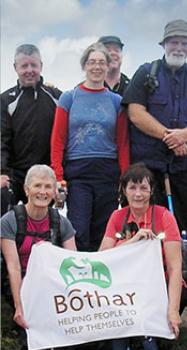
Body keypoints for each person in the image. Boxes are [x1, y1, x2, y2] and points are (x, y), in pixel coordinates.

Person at [122, 19, 187, 291]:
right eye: (174, 42)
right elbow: (135, 113)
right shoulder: (145, 73)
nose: (179, 47)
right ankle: (150, 284)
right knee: (148, 225)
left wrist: (184, 135)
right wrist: (169, 137)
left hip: (185, 165)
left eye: (185, 43)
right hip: (149, 167)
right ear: (163, 44)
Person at [50, 42, 129, 252]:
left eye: (101, 62)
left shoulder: (116, 101)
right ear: (84, 65)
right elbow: (58, 140)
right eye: (92, 62)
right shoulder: (70, 98)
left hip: (107, 173)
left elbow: (122, 143)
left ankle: (101, 280)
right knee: (79, 230)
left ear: (108, 67)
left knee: (103, 233)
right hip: (78, 173)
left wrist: (124, 177)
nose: (96, 67)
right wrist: (58, 175)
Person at [99, 162, 182, 350]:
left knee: (150, 346)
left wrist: (173, 310)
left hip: (159, 289)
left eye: (143, 188)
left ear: (151, 190)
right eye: (132, 188)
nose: (138, 194)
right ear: (124, 190)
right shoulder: (117, 216)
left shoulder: (164, 216)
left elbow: (175, 268)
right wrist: (134, 241)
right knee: (117, 338)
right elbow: (102, 258)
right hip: (123, 291)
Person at [1, 165, 77, 329]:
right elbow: (12, 267)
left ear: (54, 192)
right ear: (26, 190)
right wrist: (19, 306)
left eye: (48, 187)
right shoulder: (9, 221)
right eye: (37, 186)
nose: (42, 192)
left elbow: (73, 262)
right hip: (20, 283)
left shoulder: (62, 223)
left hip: (51, 285)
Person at [1, 44, 62, 215]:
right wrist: (2, 172)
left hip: (45, 173)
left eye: (33, 65)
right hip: (15, 174)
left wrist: (60, 175)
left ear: (41, 66)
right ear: (15, 68)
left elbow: (64, 138)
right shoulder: (5, 100)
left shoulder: (57, 97)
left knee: (44, 223)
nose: (29, 70)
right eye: (24, 66)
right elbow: (2, 139)